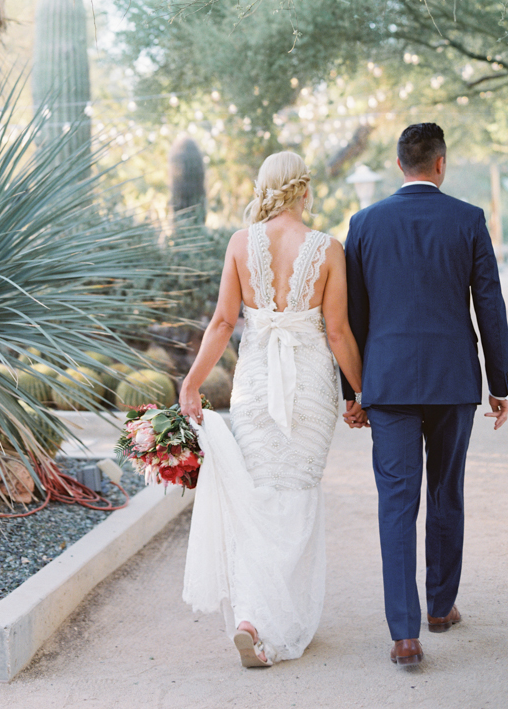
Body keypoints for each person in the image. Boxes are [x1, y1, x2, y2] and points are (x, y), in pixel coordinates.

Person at [179, 151, 363, 668]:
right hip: (308, 387)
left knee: (259, 496)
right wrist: (360, 393)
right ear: (304, 190)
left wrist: (191, 383)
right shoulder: (328, 249)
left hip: (256, 384)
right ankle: (276, 624)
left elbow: (221, 323)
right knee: (297, 497)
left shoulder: (241, 244)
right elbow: (337, 331)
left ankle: (251, 618)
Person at [341, 123, 508, 666]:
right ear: (440, 164)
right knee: (445, 491)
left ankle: (404, 635)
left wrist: (353, 389)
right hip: (453, 380)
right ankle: (440, 607)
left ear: (399, 165)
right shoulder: (468, 220)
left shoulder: (364, 224)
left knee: (396, 503)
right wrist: (500, 384)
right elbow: (490, 304)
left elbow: (352, 317)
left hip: (387, 385)